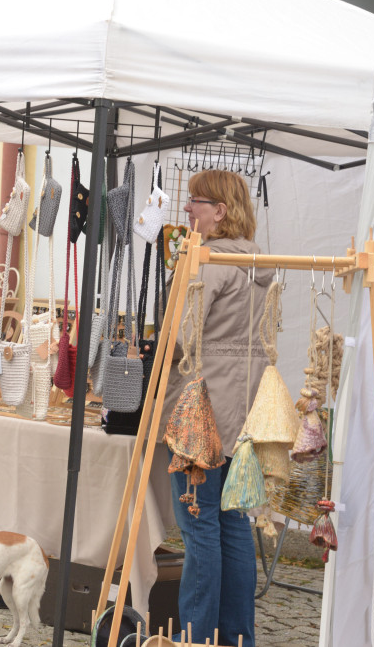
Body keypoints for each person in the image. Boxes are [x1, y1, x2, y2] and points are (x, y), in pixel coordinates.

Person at [161, 169, 272, 647]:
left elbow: (182, 335)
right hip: (243, 406)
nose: (188, 209)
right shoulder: (263, 264)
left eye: (196, 201)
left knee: (200, 527)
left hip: (200, 408)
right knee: (231, 524)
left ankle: (196, 639)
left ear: (220, 211)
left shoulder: (208, 262)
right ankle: (236, 638)